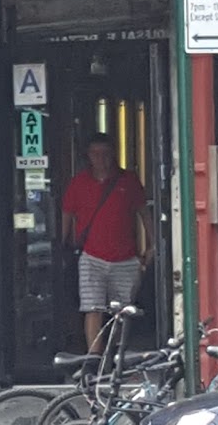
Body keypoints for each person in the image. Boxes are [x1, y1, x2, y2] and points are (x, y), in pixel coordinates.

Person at [61, 132, 154, 351]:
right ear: (88, 156)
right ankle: (94, 358)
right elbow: (66, 215)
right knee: (92, 308)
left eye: (104, 154)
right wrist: (63, 244)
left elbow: (145, 214)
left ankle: (115, 354)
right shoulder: (79, 183)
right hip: (91, 256)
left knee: (121, 312)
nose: (100, 159)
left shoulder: (128, 181)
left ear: (113, 155)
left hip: (126, 257)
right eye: (95, 154)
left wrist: (151, 245)